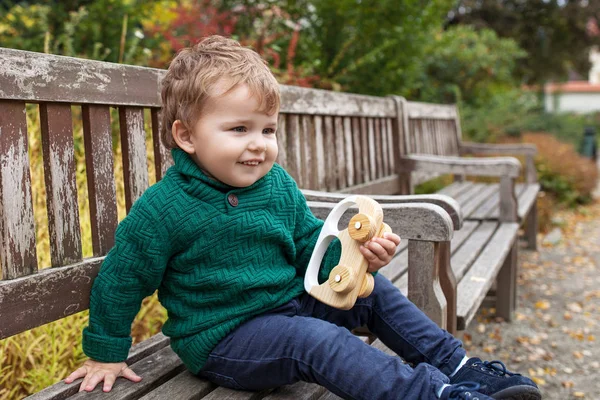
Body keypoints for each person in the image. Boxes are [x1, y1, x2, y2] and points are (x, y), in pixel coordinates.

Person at [64, 35, 541, 400]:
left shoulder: (276, 186)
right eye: (238, 129)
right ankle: (431, 394)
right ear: (186, 136)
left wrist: (358, 259)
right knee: (315, 340)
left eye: (268, 129)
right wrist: (105, 354)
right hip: (225, 340)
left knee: (373, 293)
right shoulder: (164, 208)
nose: (259, 143)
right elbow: (122, 278)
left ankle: (456, 367)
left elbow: (313, 246)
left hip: (293, 304)